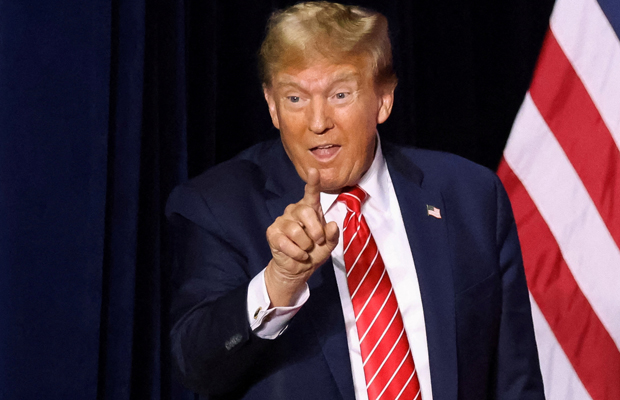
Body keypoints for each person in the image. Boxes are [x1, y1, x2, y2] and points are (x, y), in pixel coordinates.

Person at [165, 2, 545, 399]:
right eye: (295, 98)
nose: (317, 122)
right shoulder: (217, 206)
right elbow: (196, 367)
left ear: (383, 100)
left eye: (340, 94)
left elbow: (515, 381)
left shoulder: (470, 196)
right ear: (272, 105)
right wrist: (280, 283)